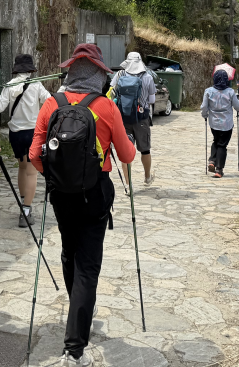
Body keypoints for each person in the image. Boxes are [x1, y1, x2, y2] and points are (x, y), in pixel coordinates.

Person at [31, 43, 137, 366]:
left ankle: (78, 309)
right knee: (88, 268)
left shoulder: (52, 104)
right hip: (95, 194)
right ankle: (74, 348)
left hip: (61, 196)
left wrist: (57, 176)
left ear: (71, 73)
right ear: (99, 75)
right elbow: (128, 155)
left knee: (69, 252)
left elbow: (35, 155)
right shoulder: (106, 107)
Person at [0, 53, 51, 227]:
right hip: (33, 133)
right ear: (30, 69)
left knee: (22, 167)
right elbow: (50, 102)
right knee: (32, 171)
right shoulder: (36, 84)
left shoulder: (10, 85)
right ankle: (26, 211)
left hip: (16, 134)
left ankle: (23, 203)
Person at [109, 51, 157, 187]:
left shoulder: (120, 75)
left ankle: (128, 184)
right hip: (141, 118)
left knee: (125, 150)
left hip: (123, 118)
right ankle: (147, 177)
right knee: (145, 150)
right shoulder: (147, 77)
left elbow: (112, 92)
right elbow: (152, 99)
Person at [201, 69, 239, 178]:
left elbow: (204, 107)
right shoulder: (230, 92)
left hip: (213, 122)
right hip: (226, 123)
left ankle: (212, 161)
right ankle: (219, 170)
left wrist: (204, 115)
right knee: (222, 145)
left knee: (216, 140)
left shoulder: (208, 91)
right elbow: (238, 107)